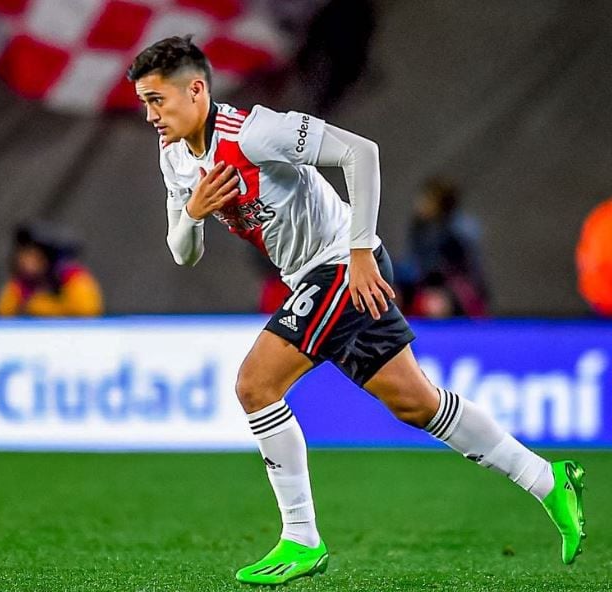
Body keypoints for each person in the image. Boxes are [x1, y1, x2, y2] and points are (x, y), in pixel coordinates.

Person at [127, 36, 586, 586]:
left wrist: (362, 249)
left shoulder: (254, 132)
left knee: (255, 385)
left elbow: (359, 151)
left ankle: (300, 538)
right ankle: (547, 480)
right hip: (317, 275)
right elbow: (185, 254)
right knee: (417, 404)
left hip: (342, 262)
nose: (150, 114)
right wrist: (193, 214)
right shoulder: (174, 157)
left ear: (196, 90)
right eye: (144, 102)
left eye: (157, 100)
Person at [401, 177, 489, 317]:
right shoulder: (420, 228)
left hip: (457, 294)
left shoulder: (459, 231)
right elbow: (415, 266)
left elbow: (468, 274)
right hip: (425, 286)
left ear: (439, 203)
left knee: (435, 304)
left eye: (426, 199)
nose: (420, 203)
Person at [0, 223, 103, 317]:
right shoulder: (21, 284)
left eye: (34, 256)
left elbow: (88, 310)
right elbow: (4, 314)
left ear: (49, 258)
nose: (26, 262)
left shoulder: (72, 277)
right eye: (23, 255)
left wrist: (42, 306)